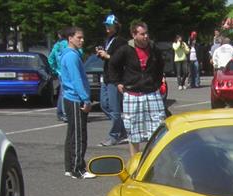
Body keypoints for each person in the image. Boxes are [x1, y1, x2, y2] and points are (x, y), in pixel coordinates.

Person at [109, 21, 166, 157]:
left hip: (151, 93)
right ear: (134, 35)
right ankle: (135, 161)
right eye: (142, 34)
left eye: (147, 33)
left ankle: (154, 160)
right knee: (133, 130)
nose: (146, 36)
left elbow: (160, 66)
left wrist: (156, 83)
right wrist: (117, 82)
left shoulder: (153, 48)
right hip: (132, 93)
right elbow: (112, 64)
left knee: (158, 128)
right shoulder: (125, 49)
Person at [59, 26, 94, 179]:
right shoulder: (71, 56)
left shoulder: (69, 55)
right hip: (75, 99)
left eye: (82, 37)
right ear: (70, 38)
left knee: (72, 133)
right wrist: (85, 99)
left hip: (70, 97)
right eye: (79, 37)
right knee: (79, 135)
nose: (82, 40)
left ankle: (69, 166)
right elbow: (76, 79)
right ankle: (78, 168)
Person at [96, 14, 128, 146]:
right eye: (106, 25)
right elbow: (108, 58)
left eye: (109, 25)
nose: (107, 28)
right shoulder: (108, 40)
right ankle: (122, 129)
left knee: (115, 108)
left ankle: (115, 135)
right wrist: (101, 53)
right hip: (107, 76)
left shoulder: (120, 41)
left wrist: (108, 55)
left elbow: (120, 59)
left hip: (116, 78)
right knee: (104, 104)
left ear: (116, 26)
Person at [48, 29, 68, 122]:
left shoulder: (56, 45)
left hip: (60, 72)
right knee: (66, 93)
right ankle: (65, 114)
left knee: (62, 92)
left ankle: (60, 112)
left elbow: (51, 59)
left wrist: (55, 70)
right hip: (67, 71)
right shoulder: (68, 44)